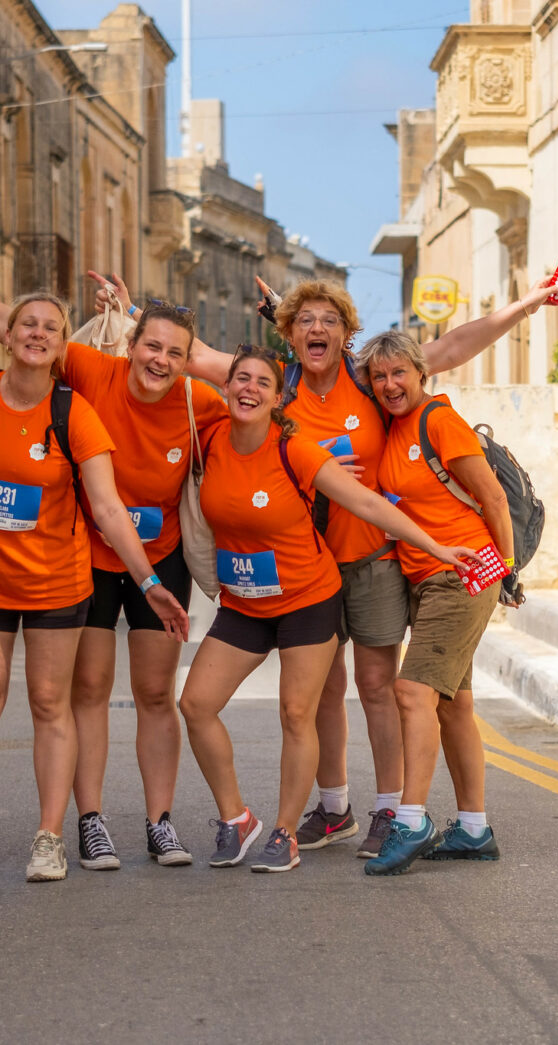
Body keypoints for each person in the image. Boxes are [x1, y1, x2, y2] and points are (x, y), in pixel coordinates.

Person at [97, 271, 557, 861]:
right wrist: (132, 313)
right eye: (305, 320)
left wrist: (525, 306)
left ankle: (390, 809)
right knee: (321, 692)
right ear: (287, 332)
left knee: (375, 685)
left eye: (330, 321)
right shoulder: (274, 382)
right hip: (300, 565)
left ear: (347, 334)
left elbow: (453, 345)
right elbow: (195, 357)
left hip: (368, 558)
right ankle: (333, 805)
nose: (318, 329)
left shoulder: (369, 379)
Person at [0, 218, 227, 870]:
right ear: (129, 345)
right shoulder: (91, 369)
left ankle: (159, 820)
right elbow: (15, 329)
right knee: (87, 688)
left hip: (161, 554)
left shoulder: (197, 400)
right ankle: (89, 819)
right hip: (89, 553)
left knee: (154, 691)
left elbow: (262, 386)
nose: (158, 360)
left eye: (174, 353)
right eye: (149, 346)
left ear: (186, 361)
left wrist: (201, 355)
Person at [179, 345, 479, 874]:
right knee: (196, 704)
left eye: (261, 384)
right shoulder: (208, 438)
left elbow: (366, 502)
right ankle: (236, 819)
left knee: (299, 710)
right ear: (225, 390)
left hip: (306, 597)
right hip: (244, 600)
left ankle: (284, 833)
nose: (248, 389)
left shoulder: (295, 448)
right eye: (239, 380)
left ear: (278, 401)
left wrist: (435, 547)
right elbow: (172, 369)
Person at [361, 330, 515, 876]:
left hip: (462, 572)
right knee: (453, 704)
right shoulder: (394, 427)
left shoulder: (438, 422)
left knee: (411, 690)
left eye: (399, 372)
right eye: (379, 377)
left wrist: (509, 570)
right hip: (427, 579)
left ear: (421, 373)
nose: (389, 384)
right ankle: (473, 830)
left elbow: (492, 495)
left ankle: (411, 819)